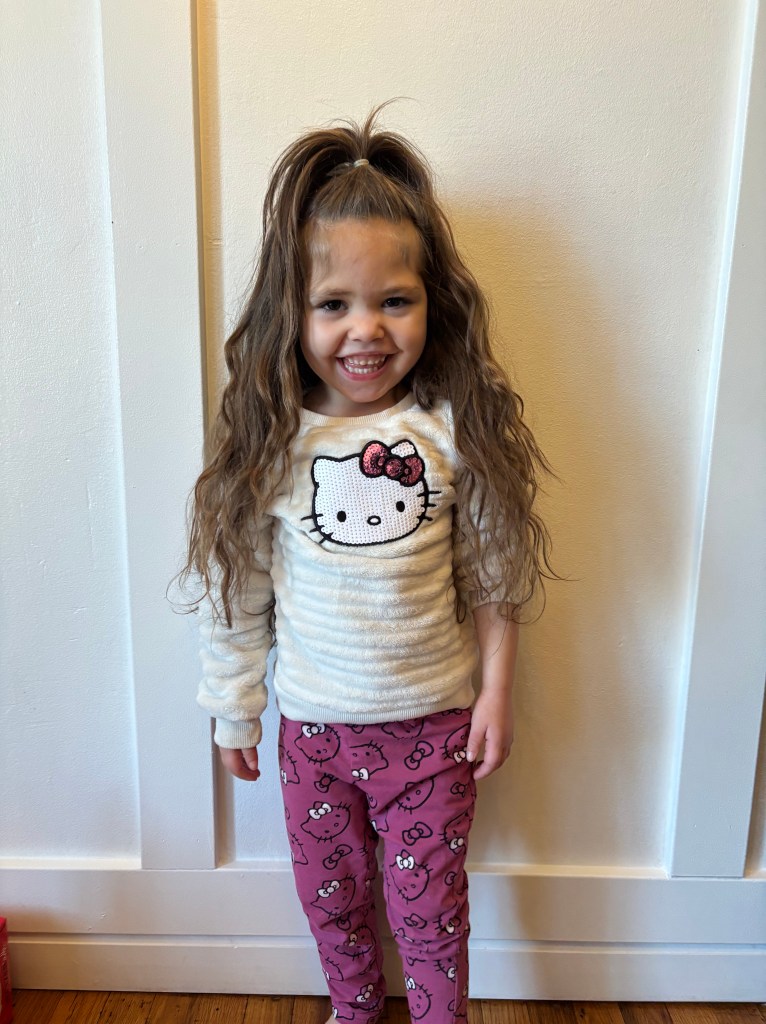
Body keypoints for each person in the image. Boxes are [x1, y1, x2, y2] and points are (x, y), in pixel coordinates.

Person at [178, 104, 554, 1024]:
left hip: (432, 733)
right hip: (313, 738)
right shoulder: (273, 445)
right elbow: (240, 594)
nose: (366, 331)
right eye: (333, 303)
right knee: (334, 904)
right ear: (291, 312)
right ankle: (354, 1010)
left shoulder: (449, 431)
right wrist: (235, 711)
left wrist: (498, 692)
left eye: (395, 300)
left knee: (430, 912)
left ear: (434, 302)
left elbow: (497, 570)